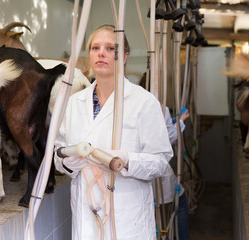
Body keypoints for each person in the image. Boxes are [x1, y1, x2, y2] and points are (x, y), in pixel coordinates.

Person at [54, 24, 173, 240]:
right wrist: (66, 163)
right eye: (95, 47)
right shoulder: (74, 103)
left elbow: (160, 161)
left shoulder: (143, 102)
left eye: (110, 48)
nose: (101, 53)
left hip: (127, 219)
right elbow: (58, 151)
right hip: (85, 216)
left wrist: (126, 160)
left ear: (125, 56)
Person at [160, 106, 190, 240]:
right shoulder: (160, 106)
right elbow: (166, 140)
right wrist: (181, 122)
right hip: (158, 174)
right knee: (181, 202)